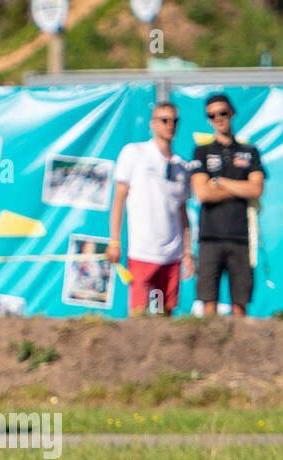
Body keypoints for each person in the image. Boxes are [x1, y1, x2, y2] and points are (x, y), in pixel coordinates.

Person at [108, 102, 193, 316]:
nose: (169, 125)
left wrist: (187, 252)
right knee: (139, 316)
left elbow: (183, 214)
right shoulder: (134, 153)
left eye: (174, 120)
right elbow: (118, 200)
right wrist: (115, 241)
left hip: (171, 257)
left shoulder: (182, 166)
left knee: (164, 318)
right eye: (164, 120)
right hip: (143, 253)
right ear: (153, 124)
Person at [188, 94, 266, 318]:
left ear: (231, 113)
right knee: (208, 303)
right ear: (208, 120)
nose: (218, 118)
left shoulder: (249, 152)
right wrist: (240, 187)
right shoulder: (201, 152)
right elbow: (202, 193)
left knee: (240, 305)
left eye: (222, 113)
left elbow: (256, 189)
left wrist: (220, 182)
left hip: (240, 237)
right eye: (212, 115)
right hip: (209, 237)